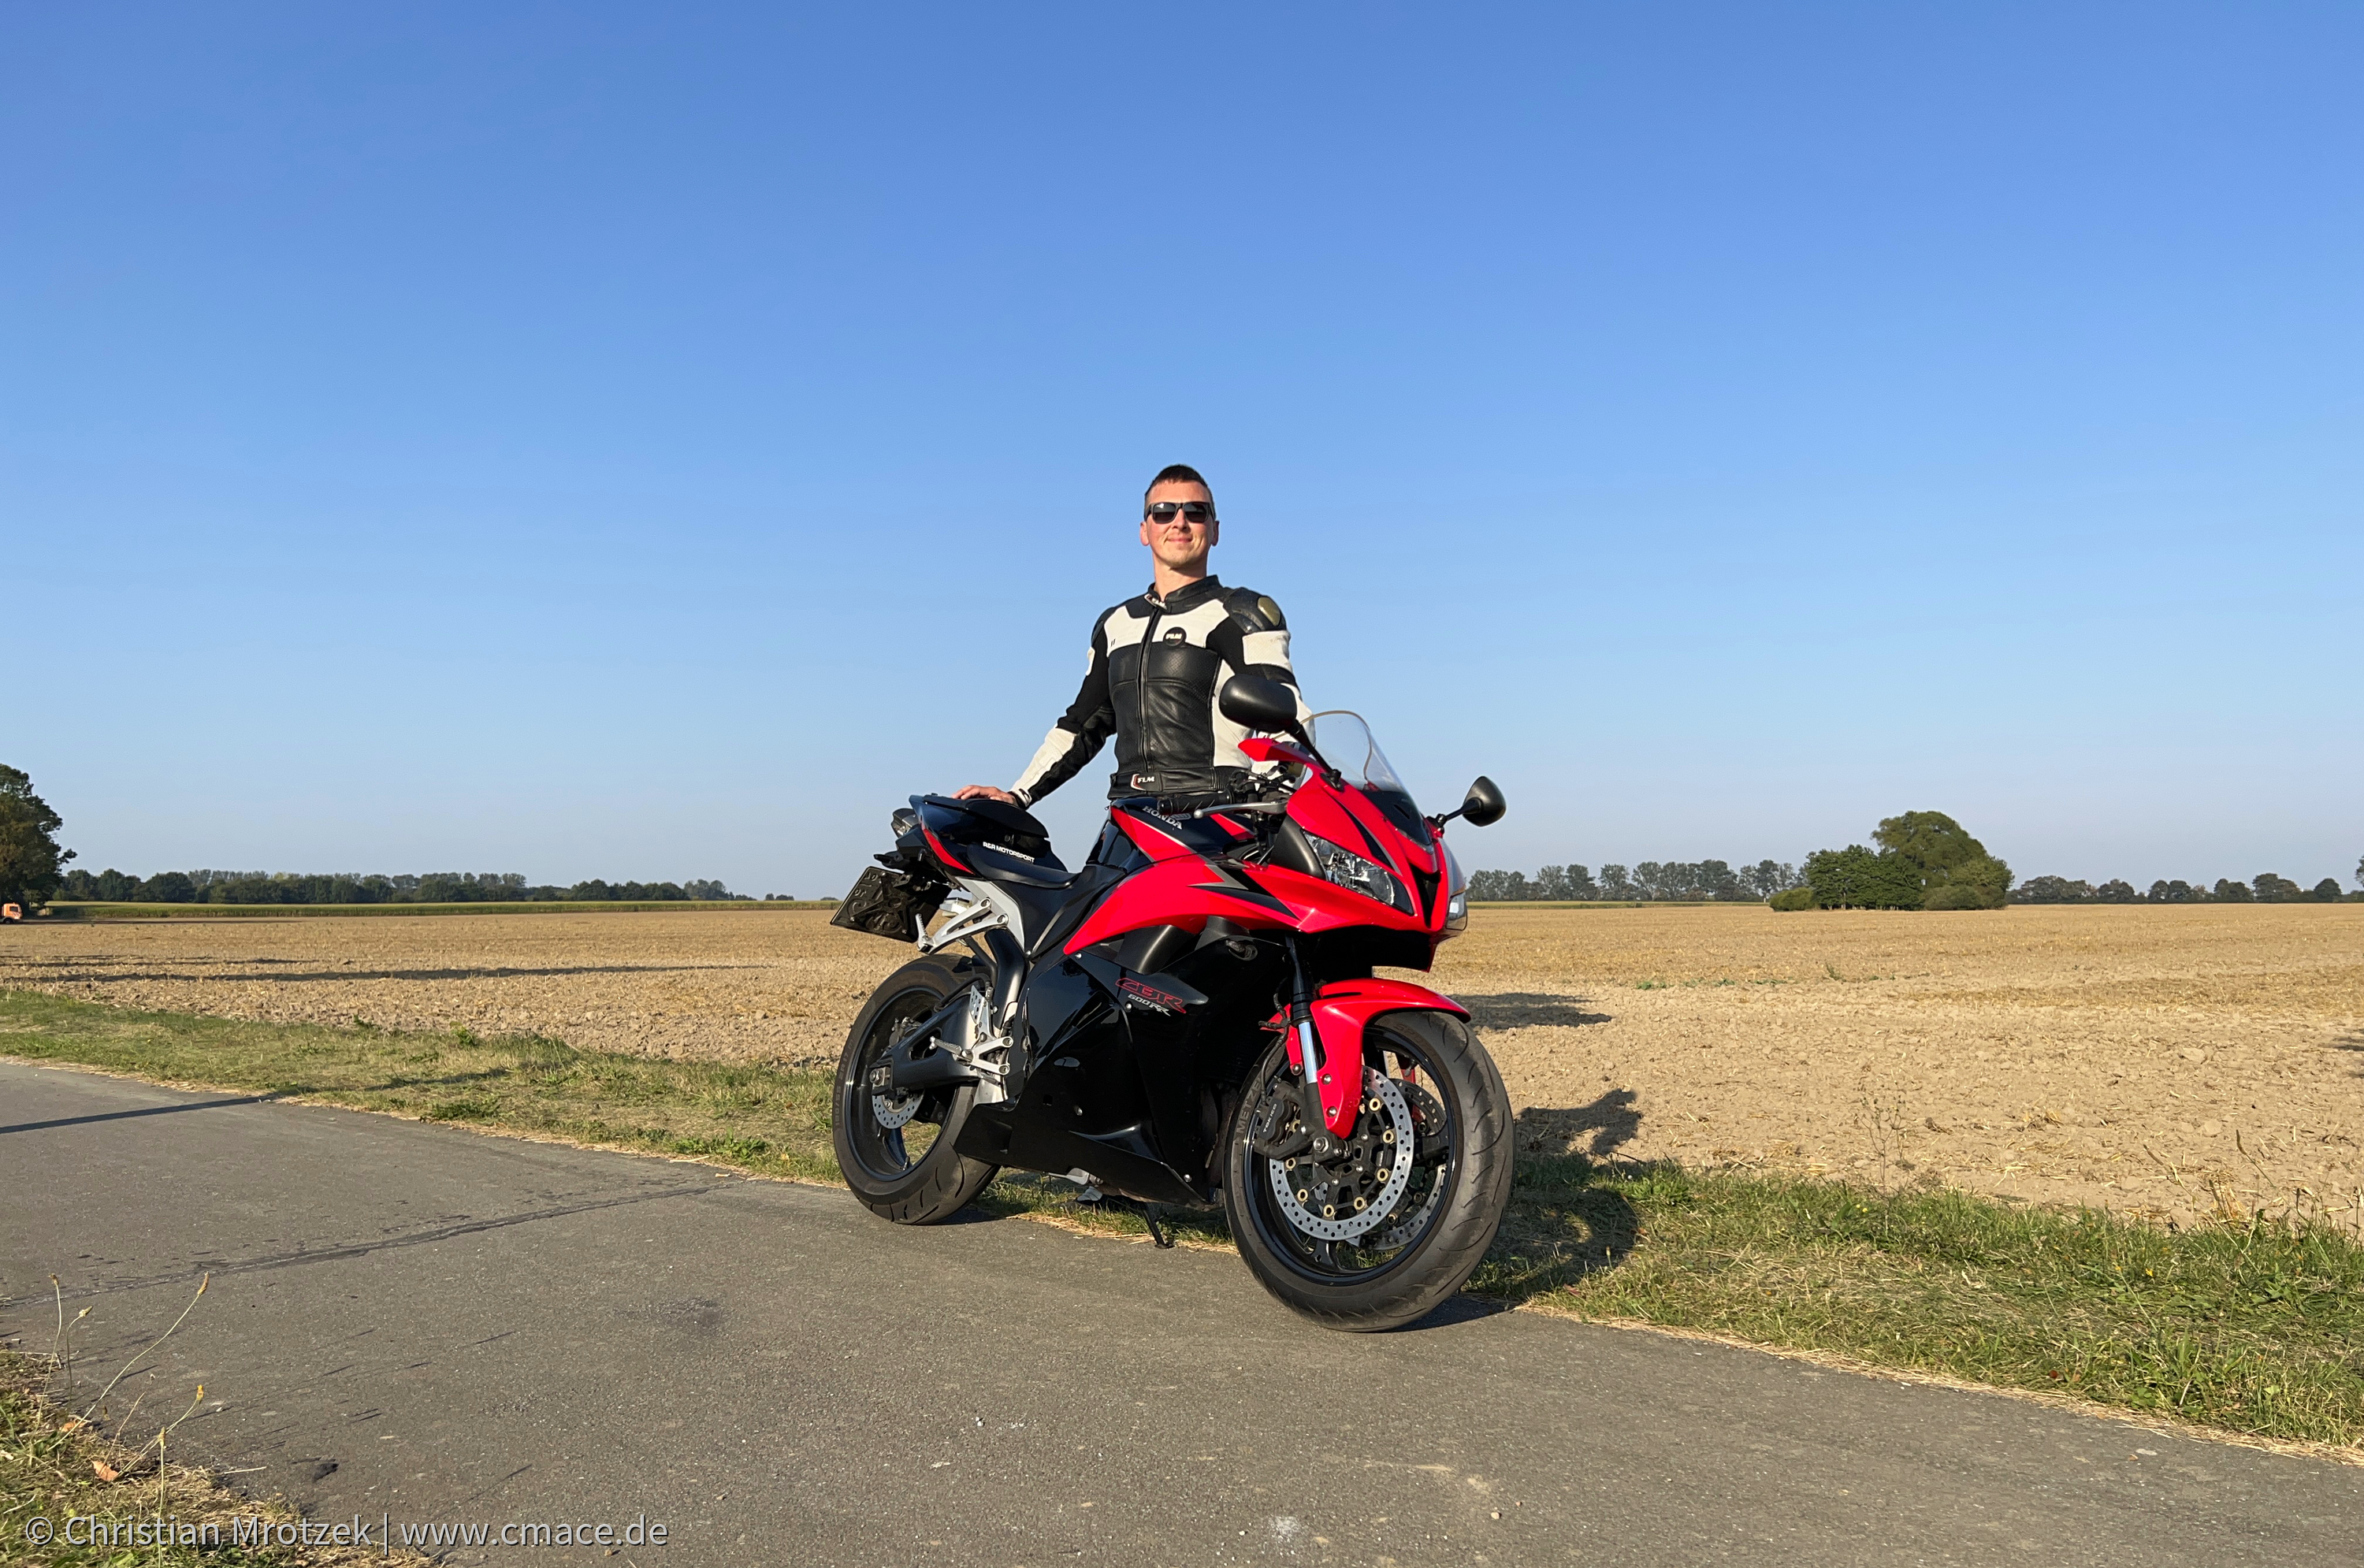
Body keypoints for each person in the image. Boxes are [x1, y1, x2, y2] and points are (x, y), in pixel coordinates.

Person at [957, 463, 1306, 816]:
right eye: (1164, 512)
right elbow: (1080, 727)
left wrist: (1264, 807)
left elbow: (1292, 719)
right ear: (1144, 530)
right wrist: (1017, 796)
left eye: (1196, 512)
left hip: (1216, 817)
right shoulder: (1115, 624)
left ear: (1215, 530)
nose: (1179, 522)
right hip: (1129, 818)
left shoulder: (1241, 614)